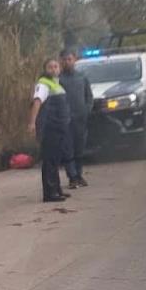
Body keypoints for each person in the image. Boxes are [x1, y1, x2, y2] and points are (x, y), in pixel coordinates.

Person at [27, 58, 72, 202]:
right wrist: (32, 123)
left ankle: (57, 189)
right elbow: (37, 102)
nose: (53, 69)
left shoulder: (56, 84)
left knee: (56, 160)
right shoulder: (44, 84)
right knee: (50, 161)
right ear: (45, 69)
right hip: (49, 127)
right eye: (50, 67)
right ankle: (50, 193)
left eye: (56, 66)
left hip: (59, 127)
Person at [59, 48, 93, 188]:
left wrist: (86, 109)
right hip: (65, 120)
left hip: (80, 118)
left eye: (70, 59)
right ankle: (72, 177)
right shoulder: (58, 79)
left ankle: (79, 175)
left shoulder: (82, 77)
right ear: (61, 61)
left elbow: (89, 96)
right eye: (65, 60)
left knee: (80, 149)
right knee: (68, 149)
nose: (67, 62)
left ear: (75, 60)